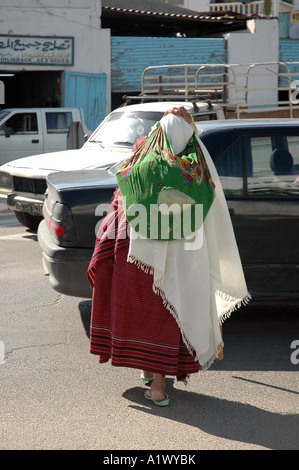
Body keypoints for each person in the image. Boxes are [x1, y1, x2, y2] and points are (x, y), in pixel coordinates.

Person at [87, 106, 250, 407]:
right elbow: (211, 218)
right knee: (169, 313)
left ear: (158, 132)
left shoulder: (143, 156)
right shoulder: (197, 168)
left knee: (141, 315)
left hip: (135, 257)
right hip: (184, 257)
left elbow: (119, 200)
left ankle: (151, 376)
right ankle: (157, 382)